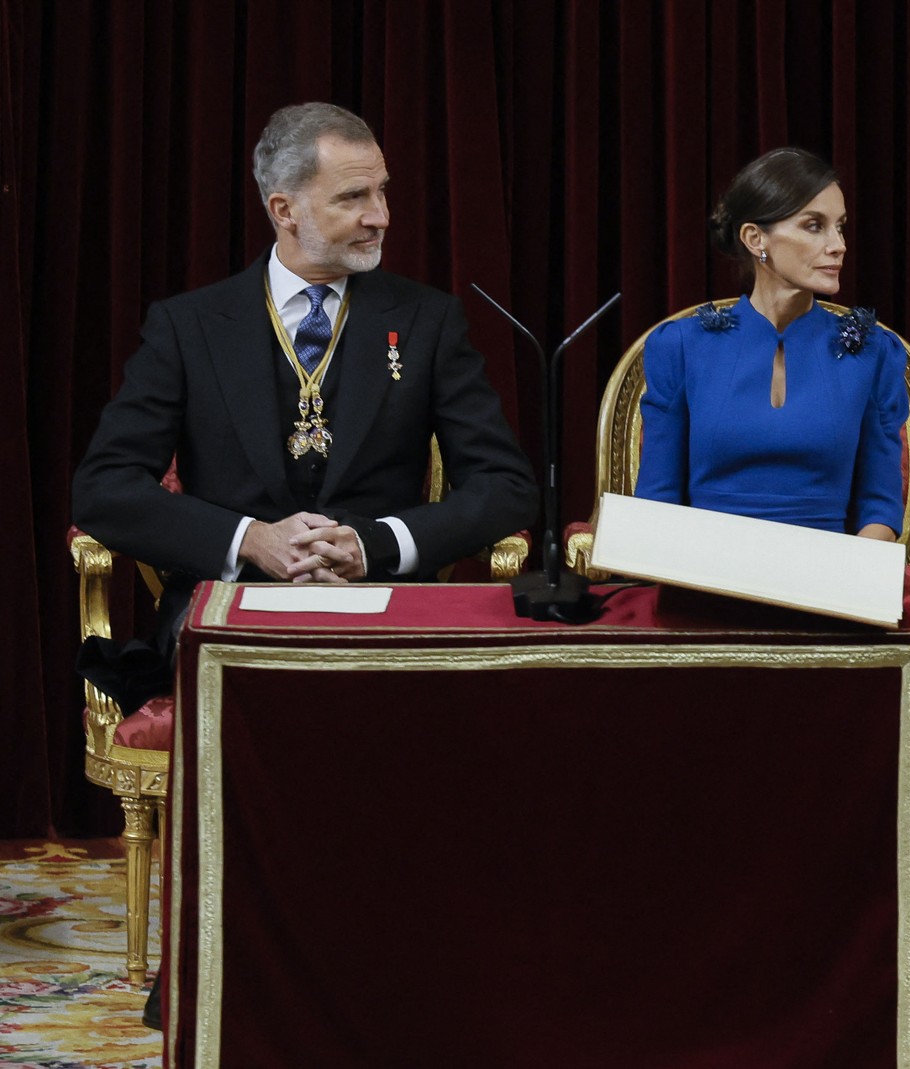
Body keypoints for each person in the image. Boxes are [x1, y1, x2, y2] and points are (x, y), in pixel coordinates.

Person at [71, 101, 539, 1030]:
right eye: (355, 196)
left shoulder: (430, 322)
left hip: (385, 611)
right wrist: (248, 537)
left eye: (384, 193)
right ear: (285, 209)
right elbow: (105, 489)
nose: (382, 215)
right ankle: (225, 973)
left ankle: (402, 979)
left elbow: (504, 490)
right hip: (235, 609)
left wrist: (380, 545)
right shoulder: (189, 326)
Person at [633, 147, 908, 539]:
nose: (838, 245)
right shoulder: (681, 346)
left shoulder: (873, 352)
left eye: (840, 226)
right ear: (754, 238)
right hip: (705, 579)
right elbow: (656, 501)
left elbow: (880, 507)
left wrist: (845, 586)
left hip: (823, 586)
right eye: (814, 226)